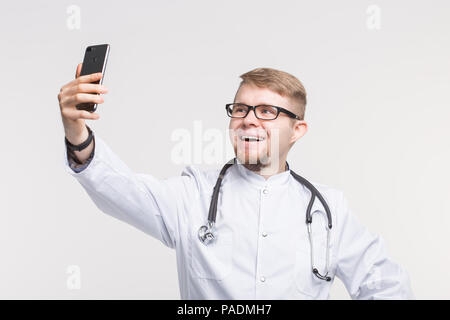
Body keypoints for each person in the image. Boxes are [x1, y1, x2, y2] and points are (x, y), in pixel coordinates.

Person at [58, 65, 413, 299]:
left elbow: (386, 286)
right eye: (240, 109)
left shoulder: (328, 210)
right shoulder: (193, 194)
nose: (248, 120)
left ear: (297, 130)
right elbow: (122, 190)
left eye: (267, 111)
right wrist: (78, 133)